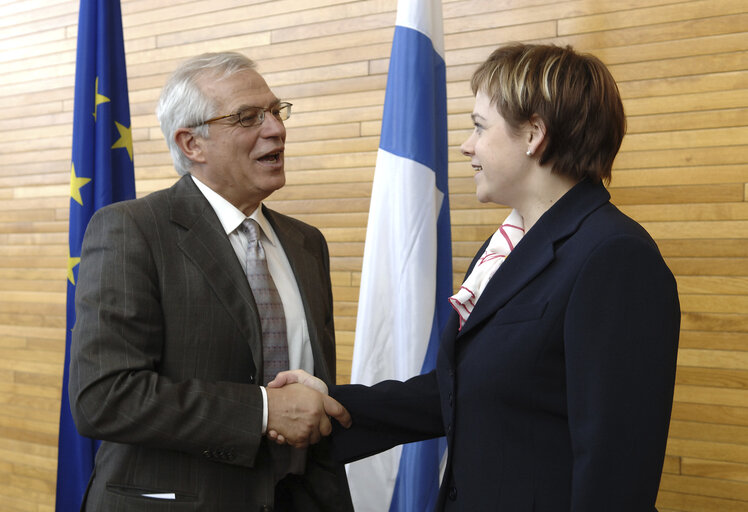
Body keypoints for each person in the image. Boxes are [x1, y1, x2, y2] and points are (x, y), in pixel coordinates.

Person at [270, 43, 681, 511]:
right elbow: (461, 390)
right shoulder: (503, 249)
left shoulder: (614, 258)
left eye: (480, 127)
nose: (467, 145)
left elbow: (616, 468)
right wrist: (335, 404)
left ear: (534, 135)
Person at [68, 52, 353, 511]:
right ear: (191, 144)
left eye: (276, 112)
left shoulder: (307, 243)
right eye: (248, 117)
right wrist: (262, 412)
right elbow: (104, 397)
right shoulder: (133, 230)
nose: (276, 128)